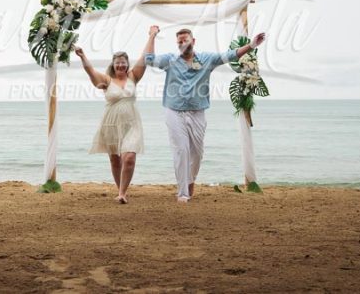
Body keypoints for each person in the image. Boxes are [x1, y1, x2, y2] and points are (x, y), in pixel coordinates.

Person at [145, 25, 266, 203]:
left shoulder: (207, 59)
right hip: (174, 111)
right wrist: (152, 35)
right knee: (181, 151)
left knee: (197, 153)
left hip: (197, 112)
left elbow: (229, 55)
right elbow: (149, 60)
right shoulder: (170, 60)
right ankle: (183, 193)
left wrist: (252, 45)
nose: (183, 43)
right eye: (179, 41)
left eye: (186, 40)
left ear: (193, 41)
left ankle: (190, 181)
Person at [73, 28, 155, 204]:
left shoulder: (134, 76)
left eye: (124, 62)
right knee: (115, 159)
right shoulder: (107, 80)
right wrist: (83, 56)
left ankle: (123, 193)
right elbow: (91, 72)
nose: (121, 65)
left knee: (129, 157)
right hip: (111, 124)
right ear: (113, 64)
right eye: (117, 62)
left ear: (127, 64)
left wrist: (152, 35)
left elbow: (145, 57)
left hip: (131, 124)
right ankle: (121, 191)